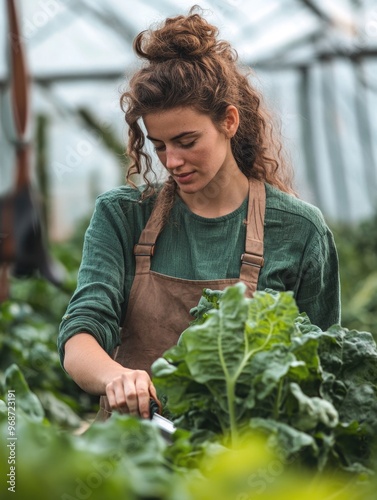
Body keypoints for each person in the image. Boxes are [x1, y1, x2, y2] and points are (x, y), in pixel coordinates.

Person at [58, 6, 340, 421]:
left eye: (187, 141)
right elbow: (81, 332)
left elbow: (324, 373)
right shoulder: (122, 217)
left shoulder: (299, 230)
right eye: (159, 145)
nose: (171, 161)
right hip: (135, 465)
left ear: (228, 121)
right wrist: (115, 376)